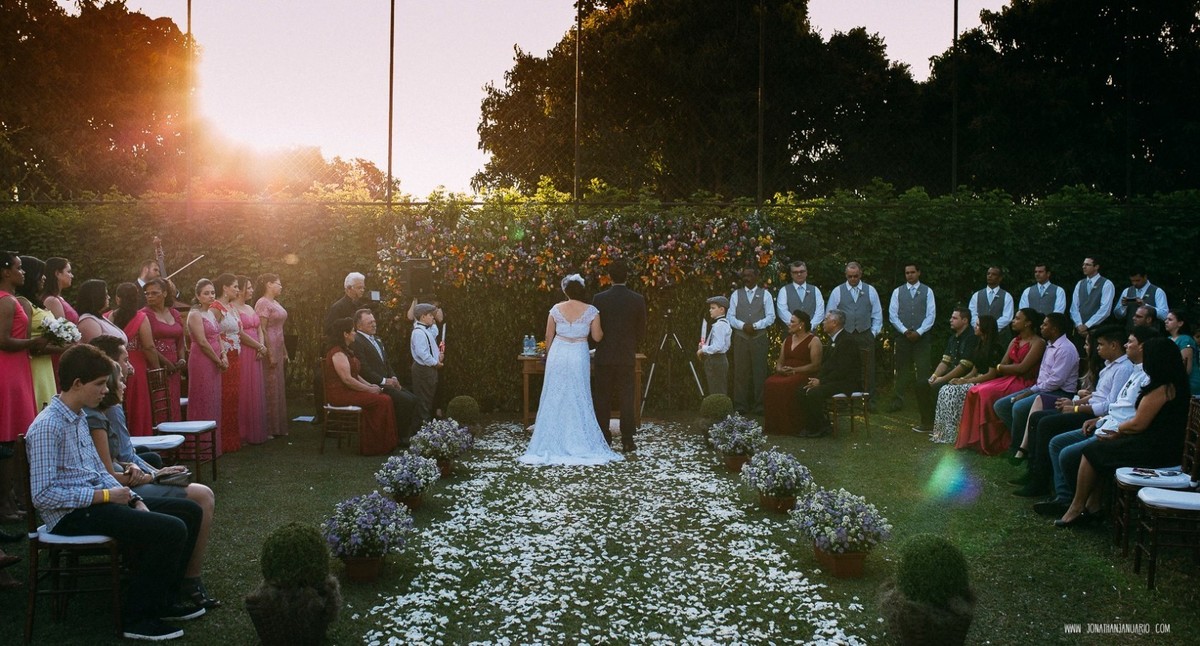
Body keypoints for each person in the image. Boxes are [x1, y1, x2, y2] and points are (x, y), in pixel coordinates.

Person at [26, 343, 205, 641]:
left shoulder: (79, 416)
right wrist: (108, 497)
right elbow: (43, 495)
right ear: (77, 384)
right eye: (98, 384)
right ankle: (136, 617)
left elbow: (97, 470)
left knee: (190, 511)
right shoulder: (48, 426)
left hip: (94, 505)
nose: (104, 391)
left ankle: (163, 600)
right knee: (170, 529)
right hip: (70, 516)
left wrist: (133, 498)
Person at [87, 335, 220, 609]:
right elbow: (117, 463)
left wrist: (155, 470)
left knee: (158, 463)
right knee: (203, 497)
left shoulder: (104, 405)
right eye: (126, 361)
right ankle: (189, 579)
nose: (131, 367)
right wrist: (153, 475)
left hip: (119, 479)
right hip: (114, 487)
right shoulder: (106, 409)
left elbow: (125, 457)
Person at [1055, 337, 1189, 528]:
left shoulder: (1163, 388)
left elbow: (1138, 424)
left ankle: (1076, 508)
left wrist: (1118, 430)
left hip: (1158, 449)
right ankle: (1093, 506)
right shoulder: (1173, 383)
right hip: (1159, 443)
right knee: (1102, 449)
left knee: (1092, 451)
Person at [1037, 327, 1155, 517]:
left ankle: (1077, 502)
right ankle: (1064, 497)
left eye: (1130, 342)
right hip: (1104, 420)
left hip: (1115, 428)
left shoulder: (1134, 371)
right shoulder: (1132, 370)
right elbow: (1116, 405)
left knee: (1064, 448)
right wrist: (1094, 415)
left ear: (1142, 347)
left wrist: (1077, 408)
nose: (1126, 345)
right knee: (1055, 441)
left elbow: (1120, 410)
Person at [1014, 326, 1133, 498]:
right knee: (1037, 418)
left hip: (1095, 416)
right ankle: (1034, 471)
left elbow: (1108, 405)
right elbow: (1097, 396)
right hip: (1089, 408)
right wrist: (1075, 403)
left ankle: (1045, 483)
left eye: (1100, 344)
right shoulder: (1110, 366)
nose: (1097, 348)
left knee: (1046, 423)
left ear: (1113, 345)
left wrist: (1076, 408)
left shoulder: (1123, 368)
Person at [520, 274, 624, 465]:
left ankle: (552, 438)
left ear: (566, 291)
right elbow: (598, 337)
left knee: (555, 395)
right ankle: (578, 439)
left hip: (558, 353)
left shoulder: (556, 309)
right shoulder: (591, 311)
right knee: (578, 394)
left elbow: (548, 335)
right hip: (578, 353)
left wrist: (550, 357)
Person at [956, 308, 1046, 455]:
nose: (1013, 321)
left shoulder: (1038, 343)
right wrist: (1004, 367)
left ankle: (991, 441)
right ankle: (974, 439)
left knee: (985, 392)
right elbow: (1003, 365)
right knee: (975, 390)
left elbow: (1022, 368)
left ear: (1028, 323)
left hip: (1026, 382)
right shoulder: (1014, 341)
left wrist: (1003, 367)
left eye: (1017, 318)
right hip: (1008, 379)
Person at [1, 251, 49, 521]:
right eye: (19, 268)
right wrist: (33, 343)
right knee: (8, 438)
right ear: (5, 272)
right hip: (7, 372)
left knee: (13, 438)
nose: (23, 273)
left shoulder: (12, 300)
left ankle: (11, 500)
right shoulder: (6, 302)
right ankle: (6, 505)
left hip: (17, 370)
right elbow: (3, 340)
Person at [994, 312, 1079, 457]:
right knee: (1001, 405)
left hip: (1060, 393)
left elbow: (1055, 382)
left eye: (1045, 324)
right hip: (1042, 388)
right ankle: (1023, 443)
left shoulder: (1065, 349)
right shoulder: (1050, 345)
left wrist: (1029, 392)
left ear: (1055, 329)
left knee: (1019, 407)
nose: (1041, 327)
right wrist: (1032, 390)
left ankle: (1018, 448)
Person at [592, 259, 647, 452]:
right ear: (627, 276)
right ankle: (627, 439)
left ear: (609, 277)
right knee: (627, 397)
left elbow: (595, 329)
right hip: (626, 355)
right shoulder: (637, 299)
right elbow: (641, 330)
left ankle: (603, 437)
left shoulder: (599, 299)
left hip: (604, 355)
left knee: (602, 397)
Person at [324, 317, 398, 456]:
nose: (355, 333)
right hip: (340, 394)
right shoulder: (337, 353)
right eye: (352, 331)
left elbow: (356, 376)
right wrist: (369, 390)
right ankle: (375, 446)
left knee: (384, 397)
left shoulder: (346, 350)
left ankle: (384, 443)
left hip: (350, 390)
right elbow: (347, 380)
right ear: (345, 334)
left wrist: (371, 385)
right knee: (382, 401)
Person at [930, 315, 1004, 444]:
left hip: (988, 381)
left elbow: (992, 374)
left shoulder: (995, 348)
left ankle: (957, 432)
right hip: (975, 378)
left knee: (953, 392)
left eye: (978, 325)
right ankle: (945, 432)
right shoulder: (980, 345)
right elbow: (974, 370)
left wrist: (966, 382)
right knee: (946, 389)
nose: (975, 327)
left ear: (985, 328)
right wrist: (961, 379)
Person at [352, 308, 418, 446]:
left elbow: (386, 363)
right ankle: (400, 437)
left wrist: (394, 378)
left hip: (387, 382)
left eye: (374, 321)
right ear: (359, 326)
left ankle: (408, 434)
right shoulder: (357, 341)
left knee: (412, 398)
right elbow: (364, 369)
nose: (374, 324)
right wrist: (384, 381)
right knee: (405, 400)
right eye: (369, 322)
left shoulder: (377, 339)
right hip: (373, 385)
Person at [793, 309, 861, 438]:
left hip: (846, 382)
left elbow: (842, 370)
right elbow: (826, 366)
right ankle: (820, 424)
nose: (823, 323)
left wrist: (821, 382)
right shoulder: (833, 340)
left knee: (814, 393)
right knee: (801, 389)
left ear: (834, 323)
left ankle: (817, 428)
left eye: (825, 320)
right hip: (834, 380)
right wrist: (816, 379)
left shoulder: (847, 341)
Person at [913, 307, 977, 434]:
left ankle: (943, 425)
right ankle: (928, 422)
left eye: (954, 318)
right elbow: (945, 361)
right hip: (949, 374)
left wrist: (943, 379)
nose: (950, 320)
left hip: (965, 377)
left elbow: (964, 366)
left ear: (965, 320)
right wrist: (935, 375)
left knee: (939, 387)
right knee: (921, 384)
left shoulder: (971, 338)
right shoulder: (953, 338)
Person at [825, 261, 882, 399]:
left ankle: (869, 399)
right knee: (842, 367)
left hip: (865, 333)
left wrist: (873, 333)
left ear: (860, 274)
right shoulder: (837, 291)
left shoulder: (871, 290)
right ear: (846, 275)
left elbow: (877, 314)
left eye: (855, 276)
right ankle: (845, 397)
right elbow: (830, 315)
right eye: (850, 276)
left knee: (868, 367)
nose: (853, 279)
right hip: (845, 336)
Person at [107, 282, 156, 437]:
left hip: (115, 362)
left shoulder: (109, 316)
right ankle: (141, 436)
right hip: (137, 364)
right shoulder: (141, 318)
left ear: (117, 298)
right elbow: (148, 346)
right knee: (138, 405)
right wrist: (155, 366)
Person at [886, 263, 936, 412]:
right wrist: (905, 331)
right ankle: (898, 401)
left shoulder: (927, 291)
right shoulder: (897, 292)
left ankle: (925, 401)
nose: (910, 275)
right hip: (903, 337)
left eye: (912, 272)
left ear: (919, 273)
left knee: (923, 369)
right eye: (907, 273)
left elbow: (931, 315)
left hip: (922, 337)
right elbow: (893, 315)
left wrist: (919, 332)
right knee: (901, 369)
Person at [763, 309, 822, 435]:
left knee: (786, 385)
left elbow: (815, 365)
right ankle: (774, 425)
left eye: (792, 322)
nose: (789, 324)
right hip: (786, 373)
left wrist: (795, 370)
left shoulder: (814, 340)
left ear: (801, 324)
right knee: (769, 382)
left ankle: (790, 426)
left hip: (804, 373)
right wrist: (780, 369)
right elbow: (780, 361)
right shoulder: (787, 340)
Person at [15, 255, 63, 409]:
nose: (43, 278)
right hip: (34, 365)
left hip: (45, 364)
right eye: (40, 274)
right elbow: (29, 345)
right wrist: (64, 348)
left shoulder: (38, 303)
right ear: (31, 276)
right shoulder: (23, 302)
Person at [185, 279, 226, 458]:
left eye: (212, 293)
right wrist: (217, 360)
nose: (210, 296)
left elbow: (217, 336)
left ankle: (213, 445)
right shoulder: (194, 314)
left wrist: (223, 355)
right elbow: (202, 341)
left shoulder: (211, 313)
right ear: (197, 296)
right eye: (206, 293)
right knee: (202, 396)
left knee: (213, 397)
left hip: (216, 358)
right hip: (202, 360)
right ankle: (199, 448)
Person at [728, 266, 775, 415]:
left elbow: (771, 317)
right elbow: (730, 317)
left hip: (759, 337)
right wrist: (743, 326)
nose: (747, 279)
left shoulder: (765, 294)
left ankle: (760, 405)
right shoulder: (736, 294)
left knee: (759, 372)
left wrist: (755, 326)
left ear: (756, 277)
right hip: (741, 338)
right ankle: (740, 405)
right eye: (744, 276)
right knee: (740, 372)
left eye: (750, 275)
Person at [143, 278, 187, 422]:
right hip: (156, 363)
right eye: (147, 293)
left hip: (175, 365)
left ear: (164, 293)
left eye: (154, 293)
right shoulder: (145, 315)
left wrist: (181, 358)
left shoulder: (174, 313)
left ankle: (177, 439)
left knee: (173, 401)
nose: (150, 296)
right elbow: (147, 344)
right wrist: (167, 363)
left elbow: (180, 338)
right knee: (160, 402)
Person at [234, 275, 269, 445]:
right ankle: (243, 431)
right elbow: (239, 333)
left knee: (255, 388)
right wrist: (258, 346)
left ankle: (256, 430)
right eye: (248, 287)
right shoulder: (233, 308)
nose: (252, 290)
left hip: (256, 350)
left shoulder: (250, 307)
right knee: (244, 388)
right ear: (239, 289)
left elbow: (259, 328)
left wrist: (262, 346)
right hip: (245, 350)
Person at [255, 273, 290, 437]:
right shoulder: (262, 303)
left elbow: (280, 329)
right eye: (278, 283)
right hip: (269, 345)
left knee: (278, 385)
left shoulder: (275, 302)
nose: (281, 287)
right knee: (269, 384)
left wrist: (284, 351)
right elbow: (262, 328)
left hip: (279, 343)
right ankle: (268, 427)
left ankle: (278, 426)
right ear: (269, 284)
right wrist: (270, 353)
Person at [410, 303, 442, 425]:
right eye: (430, 315)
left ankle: (425, 431)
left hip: (428, 369)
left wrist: (437, 355)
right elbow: (422, 353)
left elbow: (434, 333)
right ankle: (421, 432)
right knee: (423, 401)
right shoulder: (418, 332)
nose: (433, 317)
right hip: (423, 369)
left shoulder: (424, 330)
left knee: (428, 401)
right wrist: (435, 363)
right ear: (423, 317)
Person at [1069, 256, 1114, 337]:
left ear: (1096, 267)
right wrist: (1079, 325)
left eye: (1087, 265)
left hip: (1097, 330)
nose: (1084, 267)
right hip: (1079, 331)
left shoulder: (1107, 284)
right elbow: (1074, 308)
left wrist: (1087, 325)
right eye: (1083, 264)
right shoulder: (1080, 284)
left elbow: (1105, 310)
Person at [1113, 267, 1169, 332]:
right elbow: (1117, 316)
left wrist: (1145, 305)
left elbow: (1164, 315)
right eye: (1132, 281)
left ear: (1145, 277)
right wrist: (1123, 306)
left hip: (1151, 335)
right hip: (1131, 334)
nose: (1134, 283)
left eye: (1137, 280)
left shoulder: (1157, 291)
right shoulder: (1127, 291)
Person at [968, 266, 1015, 342]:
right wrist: (980, 327)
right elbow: (972, 314)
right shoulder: (976, 295)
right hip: (979, 337)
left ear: (1000, 278)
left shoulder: (1007, 296)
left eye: (994, 274)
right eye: (988, 274)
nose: (990, 276)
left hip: (1000, 337)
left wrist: (991, 328)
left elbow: (1007, 317)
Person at [697, 296, 732, 396]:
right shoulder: (722, 324)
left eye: (713, 308)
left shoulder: (719, 325)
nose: (710, 310)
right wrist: (705, 345)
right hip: (719, 360)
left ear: (721, 310)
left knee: (717, 390)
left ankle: (720, 411)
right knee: (717, 389)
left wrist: (703, 349)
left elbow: (718, 346)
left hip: (717, 360)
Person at [775, 260, 824, 329]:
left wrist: (810, 326)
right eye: (795, 272)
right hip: (791, 333)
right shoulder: (784, 290)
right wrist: (796, 326)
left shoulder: (815, 290)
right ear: (791, 274)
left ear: (806, 272)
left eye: (802, 271)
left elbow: (820, 311)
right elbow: (782, 311)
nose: (799, 274)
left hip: (811, 333)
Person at [76, 279, 126, 344]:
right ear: (96, 297)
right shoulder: (88, 322)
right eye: (106, 294)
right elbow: (96, 350)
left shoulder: (97, 317)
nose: (109, 297)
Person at [1164, 309, 1200, 396]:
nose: (1166, 321)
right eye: (1166, 319)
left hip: (1188, 384)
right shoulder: (1168, 339)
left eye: (1170, 320)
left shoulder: (1185, 340)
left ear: (1180, 323)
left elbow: (1186, 368)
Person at [41, 256, 78, 323]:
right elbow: (61, 330)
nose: (72, 276)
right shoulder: (52, 301)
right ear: (57, 273)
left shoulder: (58, 298)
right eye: (69, 272)